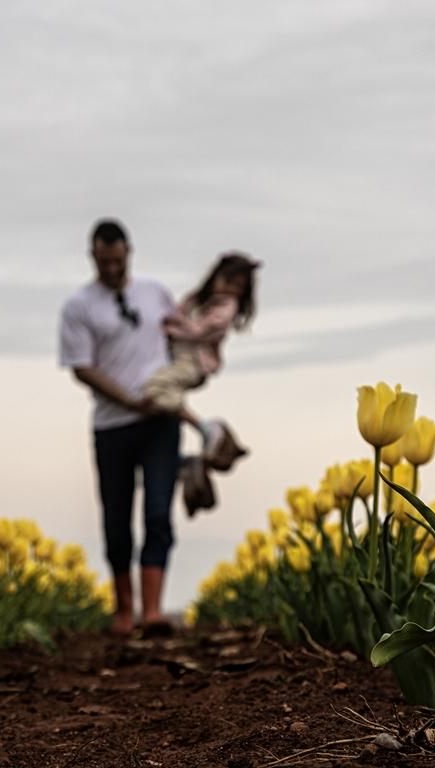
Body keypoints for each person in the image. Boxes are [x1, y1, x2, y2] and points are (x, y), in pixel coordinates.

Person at [59, 218, 180, 636]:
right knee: (116, 517)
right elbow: (81, 367)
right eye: (102, 260)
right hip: (113, 426)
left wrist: (183, 380)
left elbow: (183, 339)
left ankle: (152, 612)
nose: (110, 267)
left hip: (162, 422)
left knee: (160, 512)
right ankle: (123, 612)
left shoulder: (156, 293)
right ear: (92, 256)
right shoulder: (79, 306)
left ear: (128, 251)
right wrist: (127, 399)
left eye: (116, 259)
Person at [140, 253, 259, 516]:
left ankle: (207, 429)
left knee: (152, 390)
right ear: (216, 276)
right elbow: (178, 312)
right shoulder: (198, 299)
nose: (231, 290)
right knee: (154, 401)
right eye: (229, 281)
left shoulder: (225, 309)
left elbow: (195, 331)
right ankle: (184, 463)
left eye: (239, 288)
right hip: (178, 355)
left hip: (193, 362)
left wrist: (170, 326)